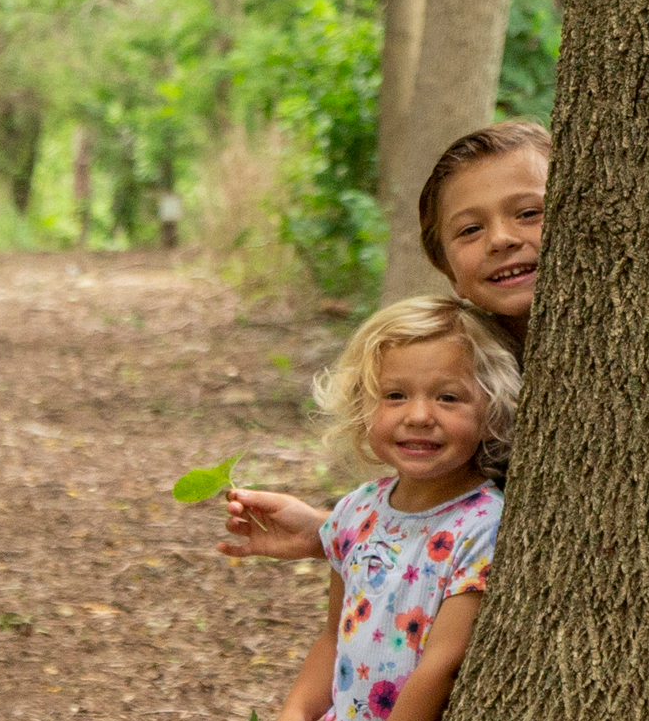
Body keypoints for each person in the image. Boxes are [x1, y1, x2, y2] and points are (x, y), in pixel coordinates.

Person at [267, 295, 518, 721]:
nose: (419, 416)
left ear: (490, 407)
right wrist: (299, 711)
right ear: (365, 408)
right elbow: (334, 634)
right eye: (396, 394)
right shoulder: (355, 513)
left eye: (449, 397)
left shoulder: (482, 525)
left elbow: (442, 663)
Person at [223, 120, 548, 561]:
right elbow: (448, 517)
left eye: (529, 213)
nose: (501, 239)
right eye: (469, 230)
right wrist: (329, 533)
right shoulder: (457, 363)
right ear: (447, 269)